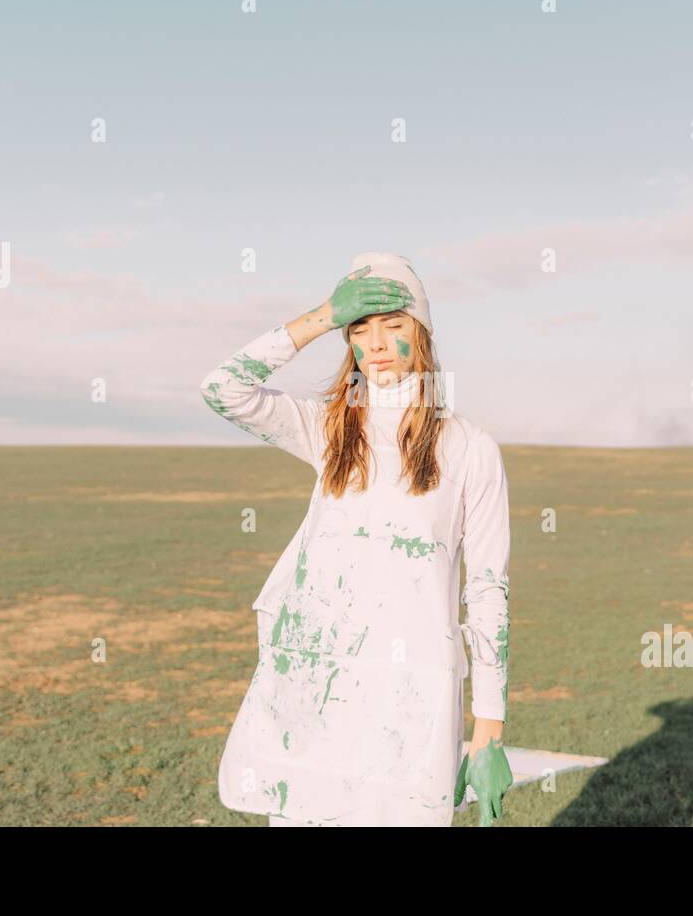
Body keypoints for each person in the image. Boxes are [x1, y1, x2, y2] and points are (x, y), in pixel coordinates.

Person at [203, 251, 513, 826]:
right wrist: (320, 317)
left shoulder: (470, 449)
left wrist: (489, 730)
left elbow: (488, 590)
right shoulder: (329, 429)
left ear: (420, 335)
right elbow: (223, 389)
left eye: (393, 324)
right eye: (359, 329)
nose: (374, 343)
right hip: (317, 688)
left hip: (414, 698)